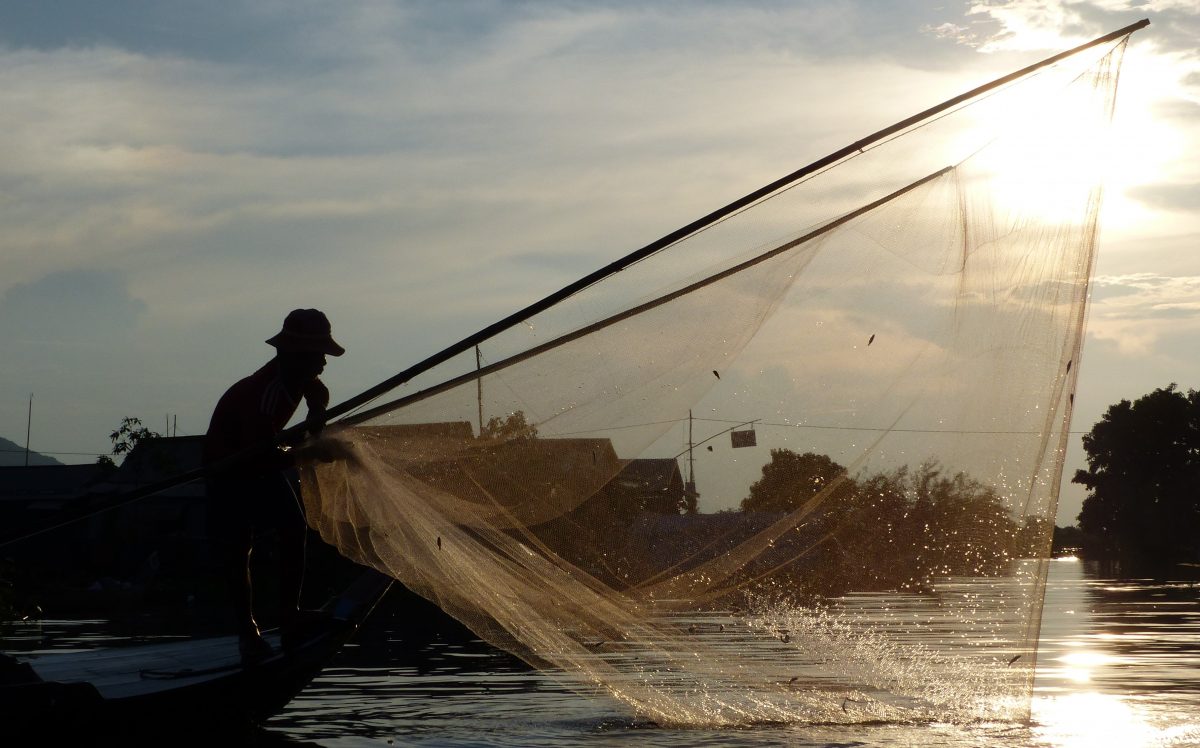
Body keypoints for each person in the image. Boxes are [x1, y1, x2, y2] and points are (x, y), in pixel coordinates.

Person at [203, 308, 345, 662]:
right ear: (295, 355)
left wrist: (316, 416)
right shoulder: (264, 393)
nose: (323, 363)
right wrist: (309, 453)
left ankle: (288, 616)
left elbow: (317, 398)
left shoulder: (302, 381)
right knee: (239, 547)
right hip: (229, 470)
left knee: (294, 529)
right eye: (317, 355)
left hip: (258, 463)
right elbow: (262, 456)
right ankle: (247, 632)